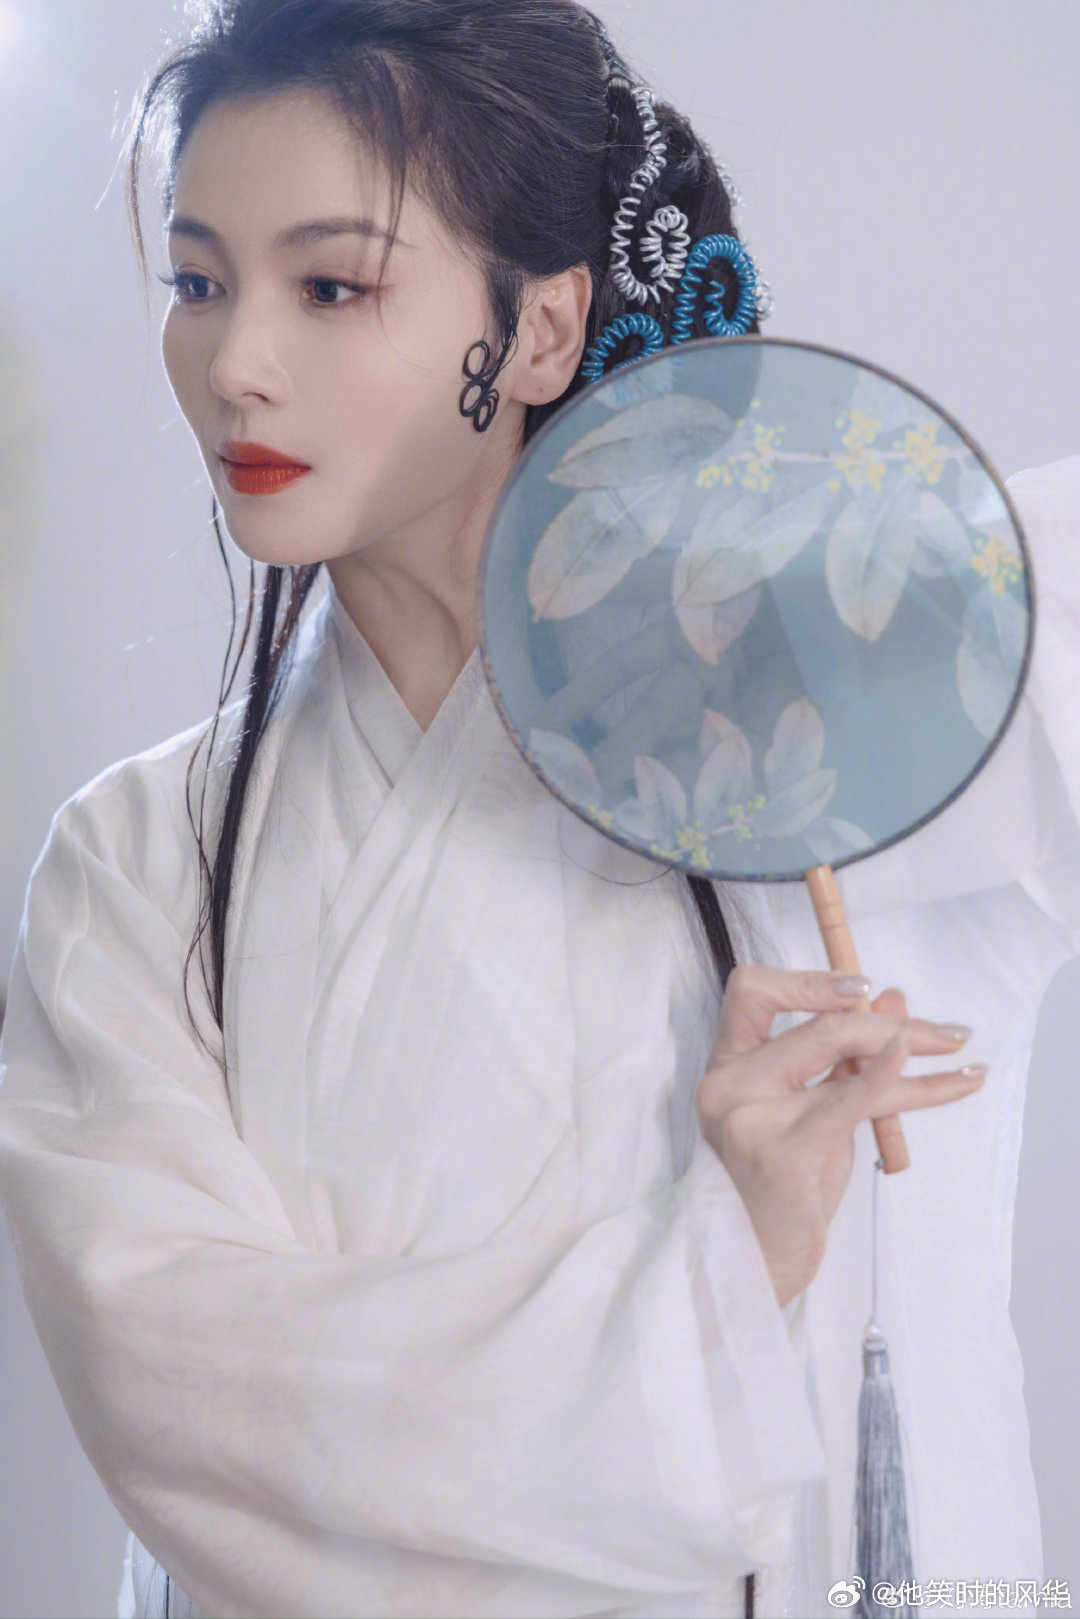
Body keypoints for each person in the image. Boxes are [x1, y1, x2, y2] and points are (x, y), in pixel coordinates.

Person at [0, 1, 1076, 1615]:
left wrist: (822, 563)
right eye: (200, 283)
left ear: (547, 331)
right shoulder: (136, 864)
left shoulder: (822, 715)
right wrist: (727, 1283)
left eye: (332, 285)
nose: (235, 365)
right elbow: (198, 1410)